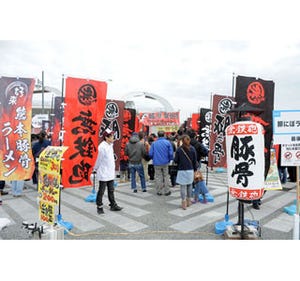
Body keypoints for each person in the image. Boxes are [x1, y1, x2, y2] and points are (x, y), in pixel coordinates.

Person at [93, 128, 123, 214]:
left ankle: (113, 205)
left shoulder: (110, 145)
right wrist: (95, 168)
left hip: (110, 172)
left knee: (111, 190)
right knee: (101, 190)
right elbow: (99, 159)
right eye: (112, 136)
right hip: (103, 172)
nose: (113, 137)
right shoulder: (102, 147)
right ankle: (99, 206)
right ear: (106, 137)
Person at [174, 134, 198, 210]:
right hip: (190, 170)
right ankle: (189, 200)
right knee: (189, 185)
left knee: (183, 187)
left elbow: (176, 160)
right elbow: (195, 161)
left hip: (181, 170)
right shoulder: (193, 149)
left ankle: (183, 202)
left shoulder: (179, 150)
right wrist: (195, 170)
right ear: (189, 140)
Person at [149, 131, 174, 196]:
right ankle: (167, 191)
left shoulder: (154, 143)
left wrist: (153, 158)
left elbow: (150, 154)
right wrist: (170, 159)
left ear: (158, 135)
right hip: (165, 162)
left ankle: (159, 191)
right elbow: (171, 153)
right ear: (164, 135)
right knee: (166, 176)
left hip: (156, 162)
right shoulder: (167, 143)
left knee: (158, 176)